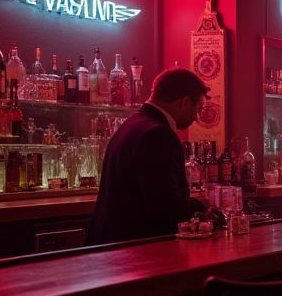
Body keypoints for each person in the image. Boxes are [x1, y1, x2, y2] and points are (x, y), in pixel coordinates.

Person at [88, 68, 208, 245]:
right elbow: (164, 207)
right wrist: (203, 207)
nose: (196, 118)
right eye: (197, 109)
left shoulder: (133, 123)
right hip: (133, 250)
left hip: (109, 244)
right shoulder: (158, 134)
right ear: (184, 102)